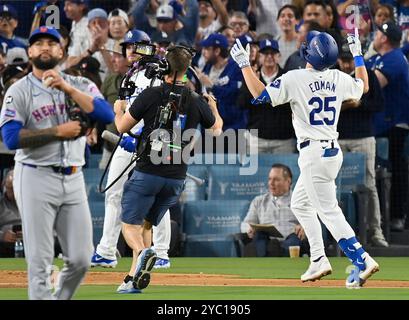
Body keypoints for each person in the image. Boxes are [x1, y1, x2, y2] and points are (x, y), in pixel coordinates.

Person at [230, 30, 379, 288]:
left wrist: (244, 64)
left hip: (314, 154)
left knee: (328, 210)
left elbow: (260, 95)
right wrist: (357, 55)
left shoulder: (296, 77)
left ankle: (362, 259)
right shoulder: (338, 77)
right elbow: (363, 87)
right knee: (300, 204)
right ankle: (319, 258)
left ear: (309, 52)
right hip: (331, 151)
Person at [0, 26, 114, 300]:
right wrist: (55, 133)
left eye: (51, 43)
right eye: (38, 43)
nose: (44, 48)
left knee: (82, 258)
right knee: (39, 262)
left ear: (61, 51)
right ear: (30, 52)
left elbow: (106, 112)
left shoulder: (81, 84)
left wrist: (67, 88)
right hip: (35, 176)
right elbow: (11, 137)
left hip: (73, 178)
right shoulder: (19, 90)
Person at [114, 45, 223, 292]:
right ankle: (133, 279)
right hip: (176, 179)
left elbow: (122, 127)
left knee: (129, 225)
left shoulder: (151, 95)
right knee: (146, 224)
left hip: (147, 172)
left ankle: (142, 253)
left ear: (165, 66)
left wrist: (118, 108)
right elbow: (216, 130)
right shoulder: (195, 100)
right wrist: (214, 107)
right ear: (186, 70)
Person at [90, 30, 172, 292]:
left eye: (137, 46)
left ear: (149, 48)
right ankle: (106, 250)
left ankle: (159, 252)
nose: (131, 51)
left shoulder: (159, 73)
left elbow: (160, 111)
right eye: (127, 47)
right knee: (113, 193)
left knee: (157, 198)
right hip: (127, 139)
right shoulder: (131, 75)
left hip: (150, 142)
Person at [336, 44, 388, 247]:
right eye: (343, 59)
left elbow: (379, 105)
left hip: (363, 137)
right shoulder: (334, 76)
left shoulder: (369, 75)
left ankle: (376, 231)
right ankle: (339, 235)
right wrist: (345, 105)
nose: (347, 63)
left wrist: (359, 104)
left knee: (369, 183)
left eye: (350, 59)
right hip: (338, 137)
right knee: (335, 187)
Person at [367, 21, 409, 232]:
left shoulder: (395, 59)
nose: (374, 37)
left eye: (376, 34)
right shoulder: (377, 58)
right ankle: (382, 216)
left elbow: (373, 84)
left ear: (384, 38)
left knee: (397, 168)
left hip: (394, 123)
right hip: (379, 124)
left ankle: (397, 215)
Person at [238, 39, 295, 154]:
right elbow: (241, 104)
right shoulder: (251, 77)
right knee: (254, 172)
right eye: (265, 53)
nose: (269, 56)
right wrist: (252, 84)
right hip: (256, 139)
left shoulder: (288, 77)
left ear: (279, 56)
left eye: (273, 53)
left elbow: (292, 105)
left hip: (283, 140)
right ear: (259, 56)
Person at [240, 164, 307, 257]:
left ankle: (275, 251)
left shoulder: (299, 201)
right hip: (265, 241)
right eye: (269, 179)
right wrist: (249, 228)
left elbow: (310, 222)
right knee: (260, 236)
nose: (271, 183)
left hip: (290, 240)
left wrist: (303, 226)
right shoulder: (259, 201)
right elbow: (245, 224)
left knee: (293, 240)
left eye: (276, 179)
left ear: (288, 181)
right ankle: (270, 253)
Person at [0, 169, 20, 258]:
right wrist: (2, 235)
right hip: (4, 246)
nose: (13, 193)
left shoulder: (34, 205)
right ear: (4, 186)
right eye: (10, 188)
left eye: (16, 188)